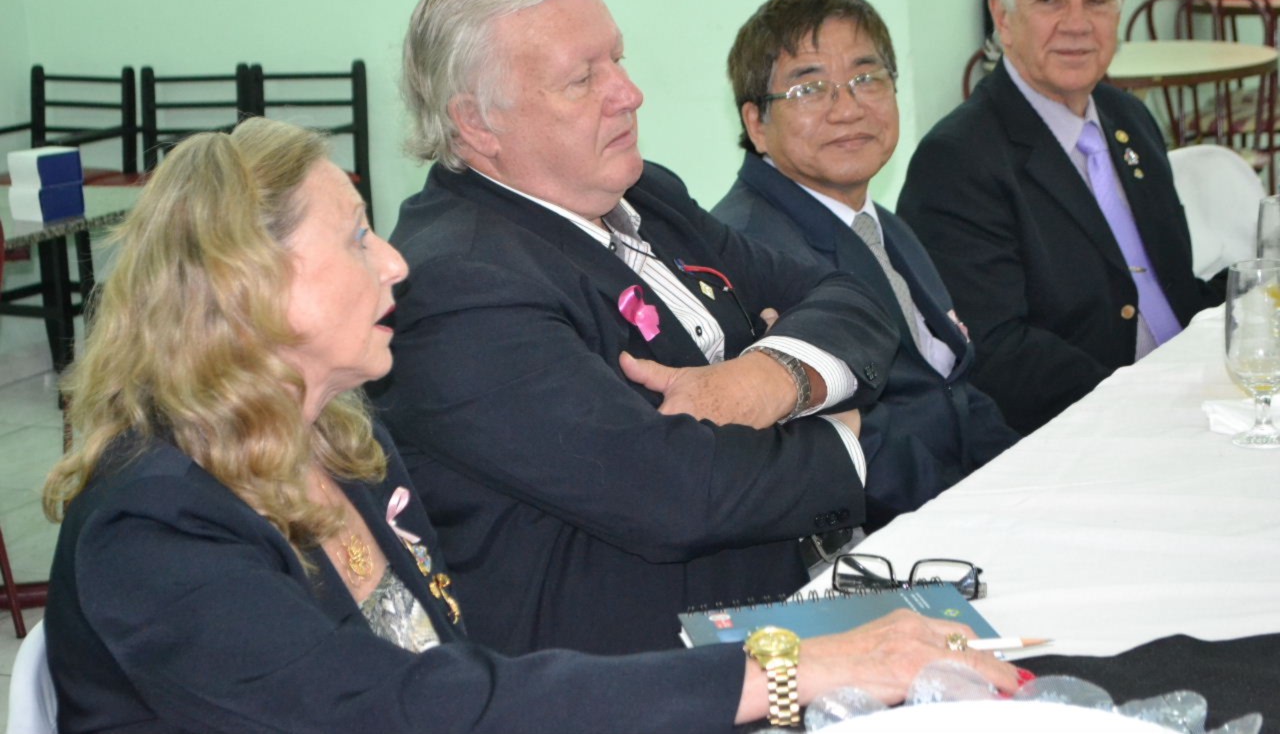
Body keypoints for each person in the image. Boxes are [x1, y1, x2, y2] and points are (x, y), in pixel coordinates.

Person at [39, 118, 1017, 733]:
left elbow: (457, 671)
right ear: (247, 285)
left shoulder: (339, 445)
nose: (394, 262)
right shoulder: (154, 522)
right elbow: (398, 708)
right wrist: (787, 670)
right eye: (355, 237)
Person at [374, 0, 902, 657]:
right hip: (638, 667)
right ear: (476, 124)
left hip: (782, 596)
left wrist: (771, 378)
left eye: (617, 60)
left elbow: (846, 296)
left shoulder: (644, 193)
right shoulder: (458, 283)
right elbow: (676, 494)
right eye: (582, 79)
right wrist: (857, 441)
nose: (629, 93)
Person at [897, 0, 1222, 436]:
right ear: (1003, 18)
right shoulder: (956, 161)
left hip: (1197, 399)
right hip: (1088, 431)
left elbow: (1171, 292)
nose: (1077, 23)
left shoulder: (1129, 118)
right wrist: (1152, 400)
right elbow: (997, 351)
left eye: (1097, 0)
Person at [713, 0, 1018, 529]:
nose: (848, 109)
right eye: (810, 89)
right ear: (756, 123)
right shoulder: (750, 250)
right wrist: (985, 511)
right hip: (900, 535)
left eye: (867, 78)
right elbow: (840, 443)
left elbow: (952, 385)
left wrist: (1033, 475)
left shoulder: (881, 224)